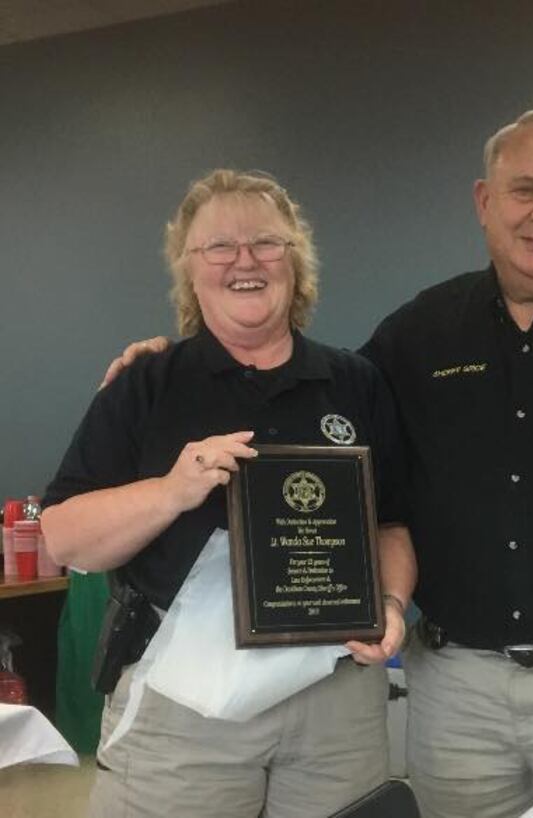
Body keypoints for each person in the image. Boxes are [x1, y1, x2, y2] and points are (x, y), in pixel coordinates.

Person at [103, 109, 533, 818]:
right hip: (458, 694)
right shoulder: (418, 334)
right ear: (484, 201)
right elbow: (306, 401)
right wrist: (173, 367)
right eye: (524, 190)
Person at [41, 169, 416, 818]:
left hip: (334, 697)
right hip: (185, 707)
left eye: (266, 242)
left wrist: (388, 602)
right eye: (218, 246)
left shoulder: (355, 382)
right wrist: (170, 491)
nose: (245, 260)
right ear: (188, 269)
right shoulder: (146, 384)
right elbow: (64, 536)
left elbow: (393, 525)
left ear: (296, 260)